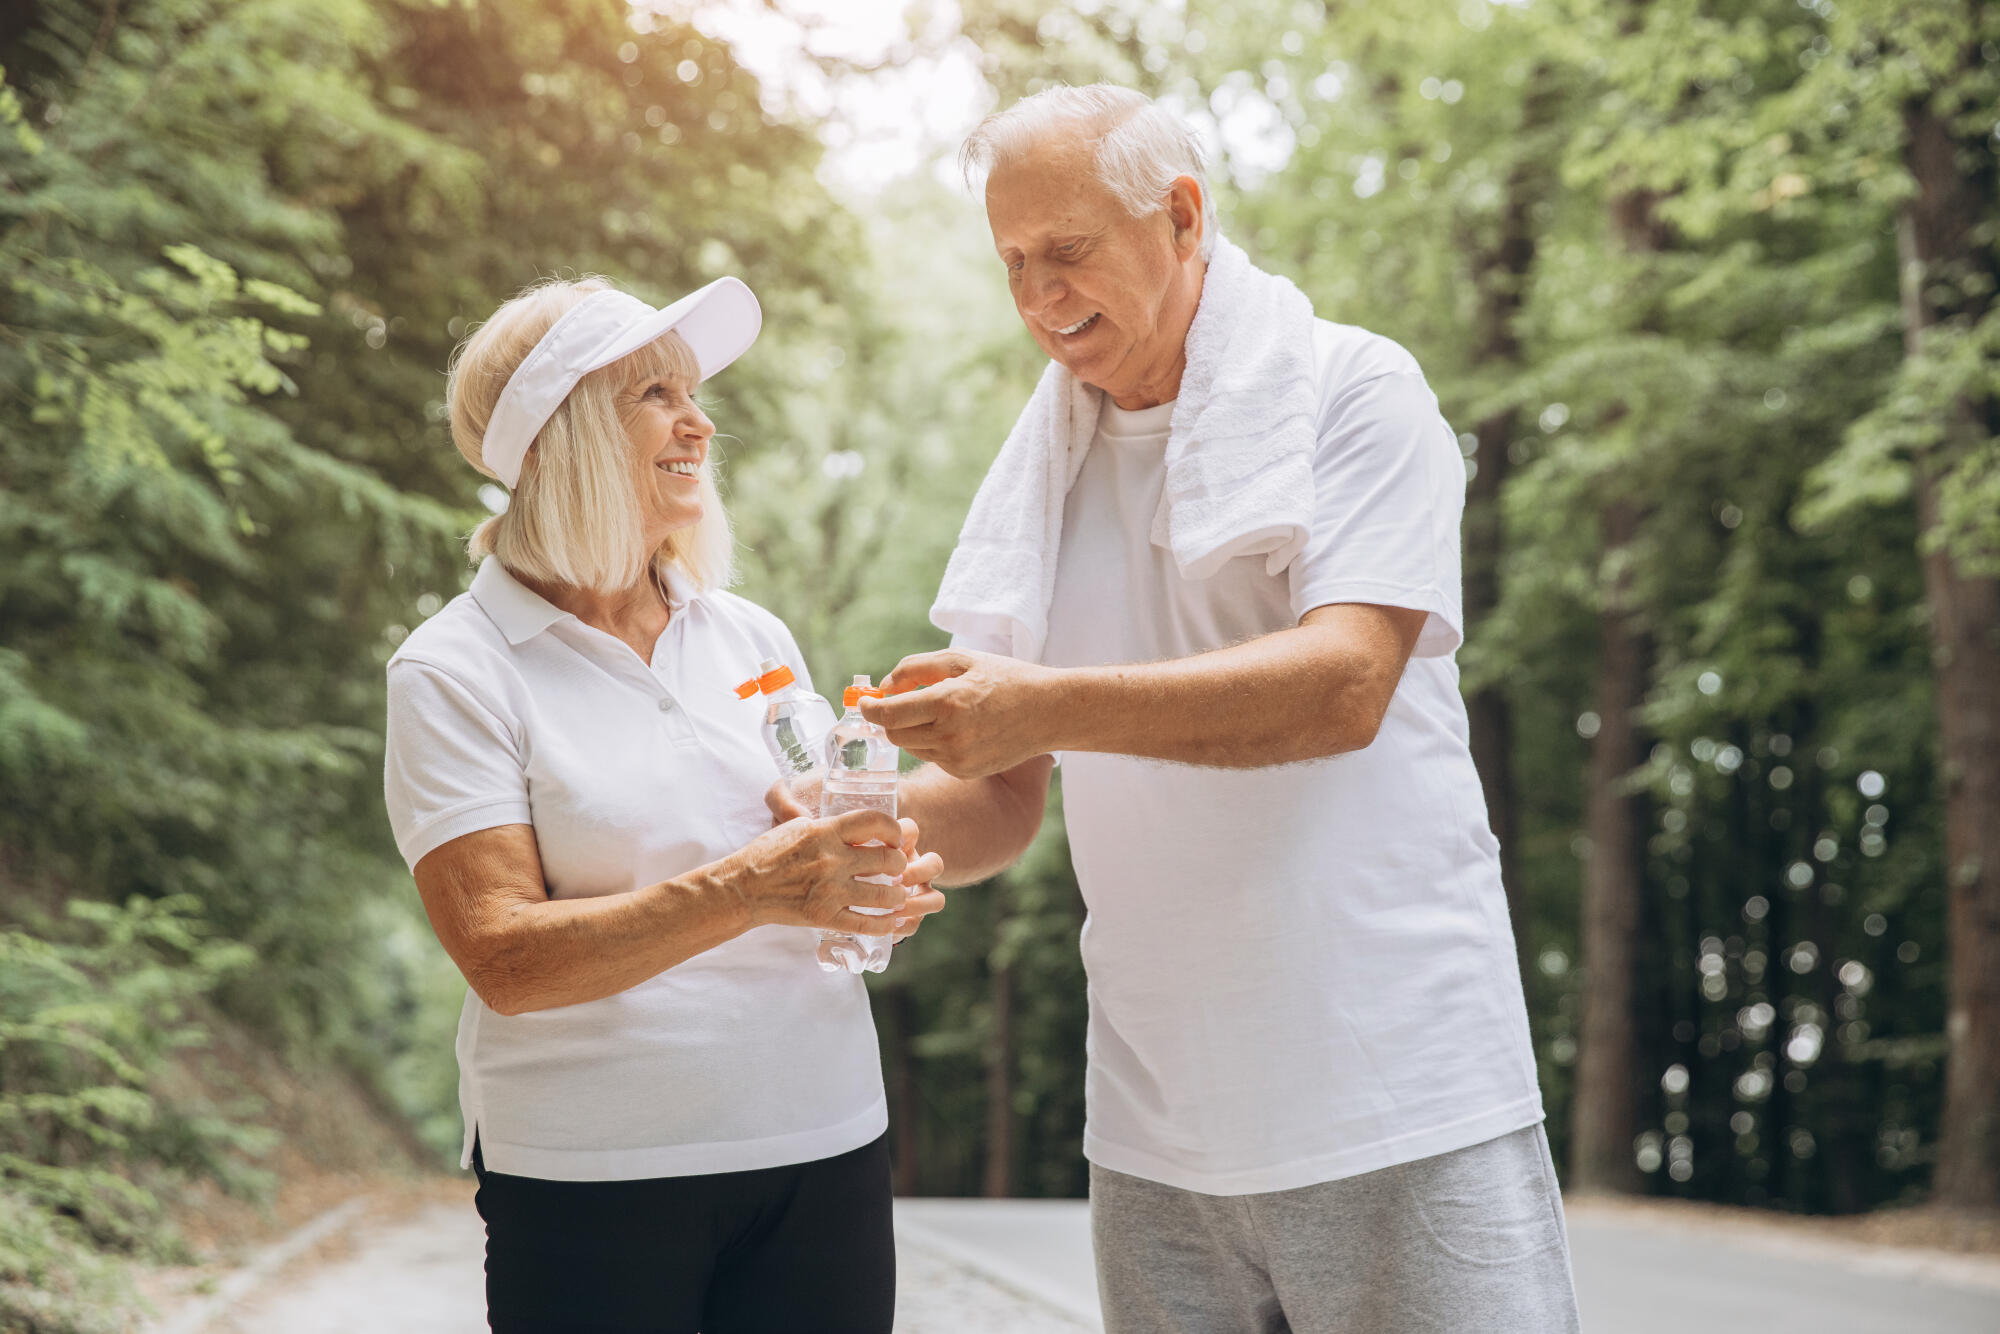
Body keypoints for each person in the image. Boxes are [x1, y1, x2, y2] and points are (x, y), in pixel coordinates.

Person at [863, 86, 1582, 1333]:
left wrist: (1041, 703)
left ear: (1182, 217)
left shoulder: (1355, 391)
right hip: (1155, 1131)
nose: (1039, 297)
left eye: (1069, 251)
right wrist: (849, 830)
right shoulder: (1037, 478)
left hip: (1392, 1093)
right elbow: (995, 797)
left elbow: (1343, 682)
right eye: (1015, 262)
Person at [381, 274, 943, 1334]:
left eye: (691, 391)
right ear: (561, 436)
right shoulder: (452, 669)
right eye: (654, 393)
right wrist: (757, 884)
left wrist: (868, 881)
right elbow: (505, 957)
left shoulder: (750, 636)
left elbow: (814, 836)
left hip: (825, 1142)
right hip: (597, 1176)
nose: (699, 420)